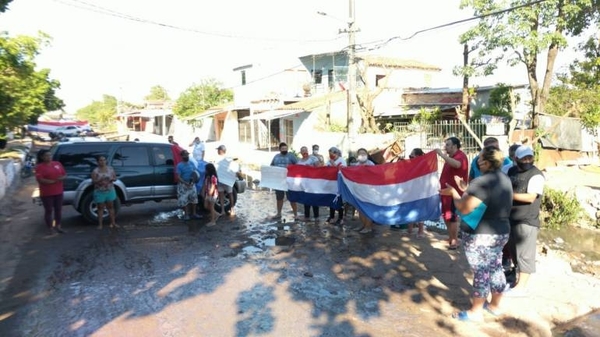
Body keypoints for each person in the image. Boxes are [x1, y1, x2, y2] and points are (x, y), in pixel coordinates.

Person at [439, 146, 513, 322]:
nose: (477, 161)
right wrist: (466, 189)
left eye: (479, 159)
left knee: (481, 271)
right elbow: (486, 200)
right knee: (495, 268)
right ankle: (495, 306)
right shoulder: (504, 178)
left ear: (486, 162)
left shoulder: (482, 182)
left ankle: (475, 311)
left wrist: (454, 193)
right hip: (501, 231)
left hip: (481, 235)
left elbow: (464, 207)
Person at [505, 146, 545, 297]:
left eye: (529, 158)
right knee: (514, 251)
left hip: (527, 219)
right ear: (516, 158)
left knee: (525, 253)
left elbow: (530, 197)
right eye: (524, 158)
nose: (527, 161)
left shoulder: (536, 175)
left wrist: (509, 194)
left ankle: (522, 287)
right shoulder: (511, 171)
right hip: (511, 217)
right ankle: (517, 281)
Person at [436, 137, 469, 250]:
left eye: (448, 145)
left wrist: (441, 155)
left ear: (455, 146)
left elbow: (457, 165)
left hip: (453, 194)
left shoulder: (461, 156)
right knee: (447, 216)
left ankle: (454, 241)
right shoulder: (451, 157)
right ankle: (451, 237)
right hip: (446, 193)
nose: (446, 147)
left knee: (452, 217)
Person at [35, 149, 67, 235]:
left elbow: (64, 174)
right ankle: (50, 228)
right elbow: (40, 179)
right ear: (42, 157)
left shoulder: (57, 164)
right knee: (49, 210)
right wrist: (53, 181)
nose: (49, 157)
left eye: (50, 155)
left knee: (58, 210)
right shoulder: (40, 167)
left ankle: (58, 226)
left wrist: (61, 178)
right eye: (46, 155)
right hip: (47, 192)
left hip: (58, 191)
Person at [402, 148, 427, 238]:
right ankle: (410, 230)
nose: (410, 157)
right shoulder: (411, 165)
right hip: (411, 191)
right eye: (410, 155)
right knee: (409, 209)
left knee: (420, 211)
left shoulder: (424, 165)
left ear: (418, 156)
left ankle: (421, 232)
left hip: (421, 192)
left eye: (412, 155)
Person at [270, 142, 299, 219]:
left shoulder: (291, 156)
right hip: (279, 181)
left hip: (289, 181)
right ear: (279, 149)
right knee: (279, 198)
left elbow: (298, 165)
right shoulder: (276, 156)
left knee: (292, 198)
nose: (284, 150)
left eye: (286, 148)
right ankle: (279, 213)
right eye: (283, 149)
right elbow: (271, 166)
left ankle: (296, 214)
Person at [350, 148, 376, 234]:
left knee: (367, 209)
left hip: (368, 190)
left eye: (363, 153)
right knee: (360, 209)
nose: (362, 155)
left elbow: (375, 176)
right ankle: (363, 225)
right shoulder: (356, 165)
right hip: (359, 190)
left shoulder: (371, 164)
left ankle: (368, 227)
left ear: (367, 154)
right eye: (360, 154)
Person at [91, 155, 118, 230]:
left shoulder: (110, 169)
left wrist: (111, 179)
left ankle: (113, 223)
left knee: (111, 207)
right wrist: (100, 181)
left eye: (104, 160)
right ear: (97, 162)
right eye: (100, 160)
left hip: (110, 190)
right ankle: (100, 224)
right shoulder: (95, 171)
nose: (102, 162)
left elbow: (115, 178)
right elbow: (93, 181)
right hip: (100, 191)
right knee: (100, 208)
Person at [297, 146, 321, 222]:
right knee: (306, 199)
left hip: (313, 182)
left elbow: (319, 167)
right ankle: (307, 216)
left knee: (314, 199)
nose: (304, 152)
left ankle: (316, 216)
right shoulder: (299, 161)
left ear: (308, 151)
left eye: (305, 150)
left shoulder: (313, 158)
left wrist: (311, 167)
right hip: (304, 183)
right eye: (302, 151)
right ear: (301, 153)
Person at [176, 150, 200, 221]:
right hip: (183, 185)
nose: (186, 156)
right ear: (182, 156)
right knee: (184, 200)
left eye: (187, 154)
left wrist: (194, 180)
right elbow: (179, 177)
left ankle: (194, 214)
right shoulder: (179, 165)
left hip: (192, 184)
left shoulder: (191, 163)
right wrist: (185, 182)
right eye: (185, 155)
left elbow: (195, 172)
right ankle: (186, 215)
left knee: (194, 199)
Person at [215, 145, 239, 216]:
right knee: (228, 194)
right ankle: (231, 210)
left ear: (221, 151)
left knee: (223, 195)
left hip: (224, 180)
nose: (217, 151)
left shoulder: (222, 159)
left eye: (218, 150)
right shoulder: (229, 158)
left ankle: (224, 210)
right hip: (225, 180)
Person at [326, 146, 346, 225]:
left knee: (339, 200)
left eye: (332, 153)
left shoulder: (342, 160)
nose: (331, 155)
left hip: (339, 183)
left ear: (336, 153)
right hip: (331, 183)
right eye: (330, 153)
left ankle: (341, 218)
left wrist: (333, 164)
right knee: (331, 199)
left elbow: (343, 170)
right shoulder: (329, 161)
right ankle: (332, 216)